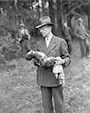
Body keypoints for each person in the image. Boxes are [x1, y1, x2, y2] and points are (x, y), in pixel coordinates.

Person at [33, 16, 71, 113]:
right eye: (40, 29)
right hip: (43, 78)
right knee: (47, 107)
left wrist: (62, 62)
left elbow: (67, 58)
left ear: (50, 27)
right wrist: (38, 61)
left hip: (55, 78)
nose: (41, 31)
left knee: (59, 105)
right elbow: (35, 61)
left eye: (43, 28)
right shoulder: (38, 44)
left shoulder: (60, 42)